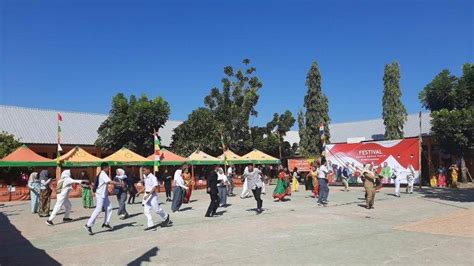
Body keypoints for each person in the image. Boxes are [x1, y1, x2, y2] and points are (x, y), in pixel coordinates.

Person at [84, 163, 123, 235]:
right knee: (98, 209)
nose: (108, 169)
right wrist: (120, 184)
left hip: (104, 195)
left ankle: (106, 223)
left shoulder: (102, 174)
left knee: (109, 208)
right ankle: (88, 225)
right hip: (100, 195)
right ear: (105, 168)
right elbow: (109, 182)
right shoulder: (103, 174)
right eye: (108, 168)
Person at [141, 166, 172, 231]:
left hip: (152, 195)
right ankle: (151, 225)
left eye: (144, 170)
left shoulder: (153, 177)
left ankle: (166, 216)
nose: (143, 172)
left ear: (148, 170)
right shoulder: (145, 176)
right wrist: (139, 192)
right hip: (146, 195)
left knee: (157, 210)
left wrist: (149, 194)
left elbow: (155, 186)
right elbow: (146, 186)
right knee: (146, 211)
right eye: (142, 170)